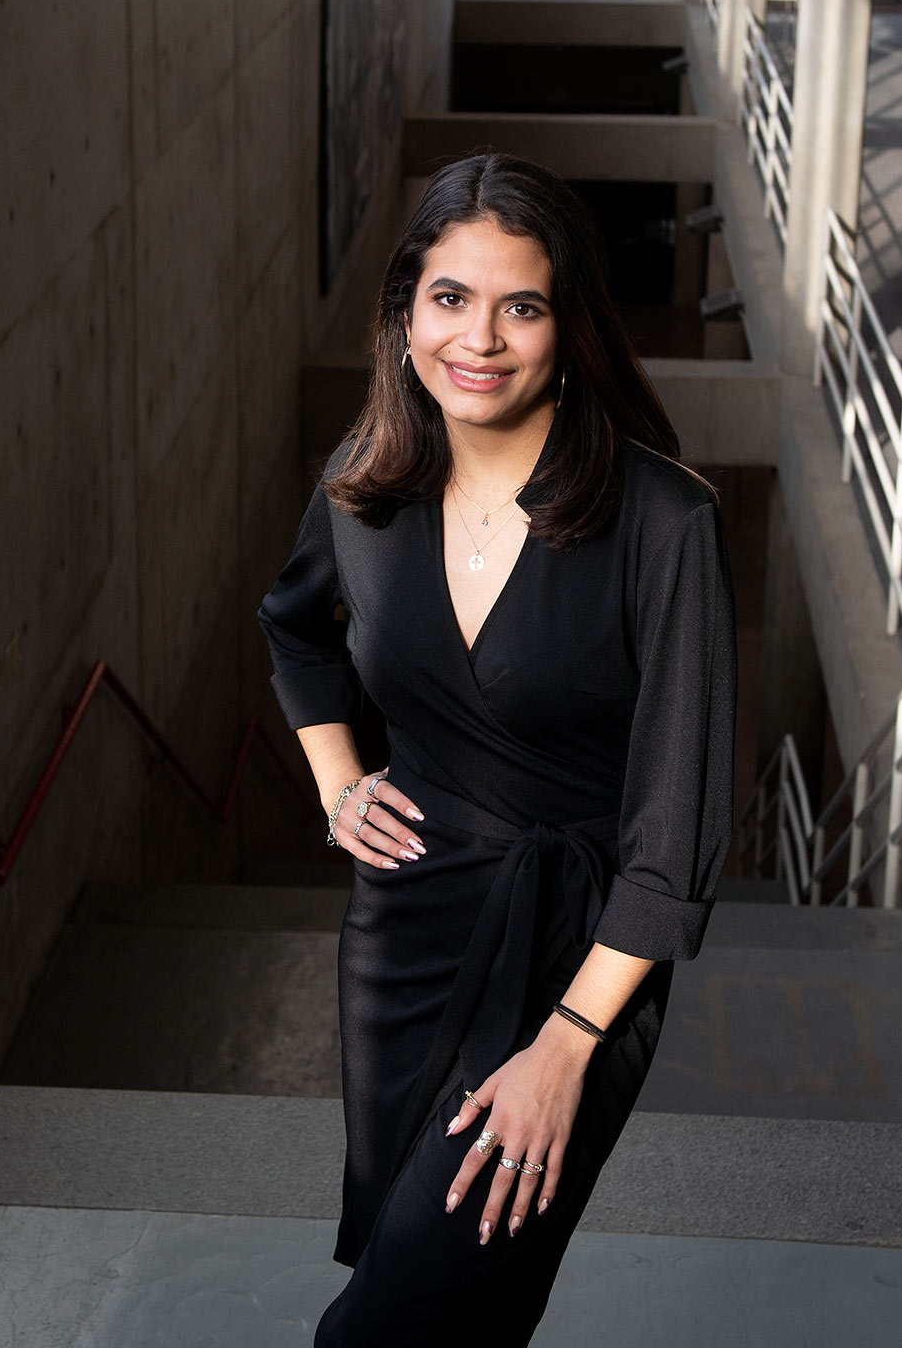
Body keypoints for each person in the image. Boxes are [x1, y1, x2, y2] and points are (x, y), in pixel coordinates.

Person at [257, 152, 736, 1346]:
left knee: (373, 1329)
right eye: (450, 298)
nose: (482, 337)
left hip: (580, 965)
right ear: (406, 315)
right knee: (443, 1295)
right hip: (403, 934)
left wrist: (566, 1051)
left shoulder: (664, 525)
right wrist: (338, 783)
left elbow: (675, 842)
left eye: (521, 305)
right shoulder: (364, 491)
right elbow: (292, 629)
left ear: (569, 329)